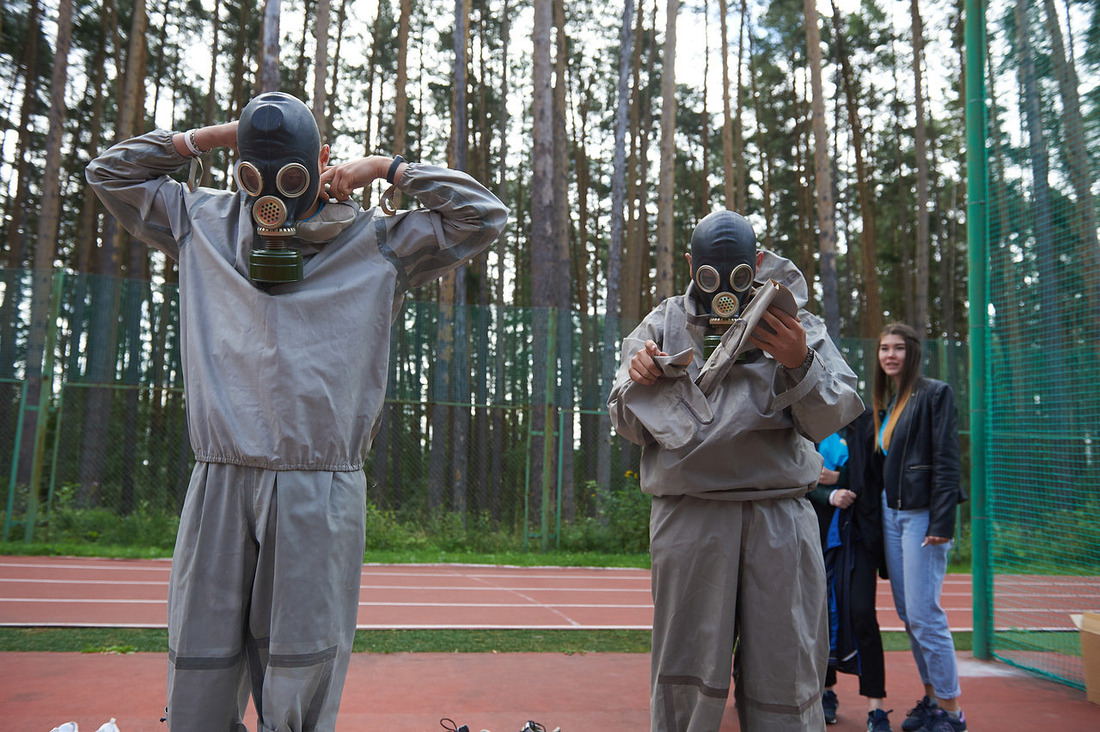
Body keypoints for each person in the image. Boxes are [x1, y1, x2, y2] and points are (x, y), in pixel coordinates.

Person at [86, 91, 508, 731]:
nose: (271, 193)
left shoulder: (376, 241)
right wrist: (213, 137)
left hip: (319, 487)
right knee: (201, 669)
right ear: (239, 170)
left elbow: (483, 216)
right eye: (256, 172)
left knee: (302, 673)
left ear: (324, 161)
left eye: (290, 171)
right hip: (221, 480)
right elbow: (107, 173)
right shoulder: (202, 222)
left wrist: (387, 170)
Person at [607, 210, 865, 732]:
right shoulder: (664, 324)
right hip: (692, 515)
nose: (722, 287)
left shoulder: (795, 322)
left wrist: (799, 359)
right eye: (709, 274)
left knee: (787, 668)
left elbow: (832, 415)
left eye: (738, 273)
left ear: (758, 262)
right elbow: (626, 422)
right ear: (690, 265)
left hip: (779, 516)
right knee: (686, 670)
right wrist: (640, 376)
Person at [872, 323, 968, 732]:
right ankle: (932, 701)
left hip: (922, 515)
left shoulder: (934, 393)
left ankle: (951, 712)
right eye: (883, 348)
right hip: (891, 515)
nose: (890, 355)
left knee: (926, 614)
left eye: (898, 348)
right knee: (909, 615)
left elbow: (947, 461)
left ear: (912, 353)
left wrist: (943, 520)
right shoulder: (892, 402)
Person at [809, 410, 893, 732]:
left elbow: (867, 475)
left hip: (857, 536)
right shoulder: (807, 421)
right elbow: (796, 476)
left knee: (861, 614)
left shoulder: (864, 422)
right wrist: (829, 490)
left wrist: (836, 477)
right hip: (815, 534)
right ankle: (826, 693)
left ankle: (876, 708)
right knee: (820, 616)